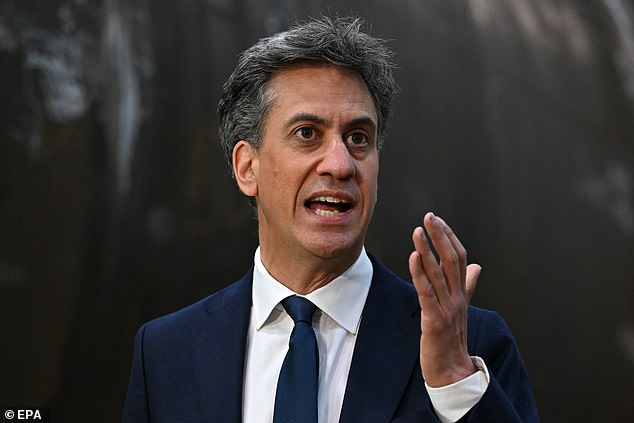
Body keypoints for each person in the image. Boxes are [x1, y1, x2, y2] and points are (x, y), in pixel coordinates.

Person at [122, 16, 539, 423]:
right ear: (247, 167)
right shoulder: (165, 352)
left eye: (359, 138)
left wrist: (452, 384)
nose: (340, 164)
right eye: (307, 133)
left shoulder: (472, 345)